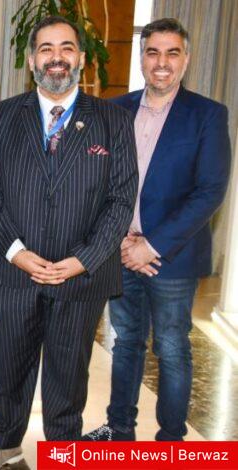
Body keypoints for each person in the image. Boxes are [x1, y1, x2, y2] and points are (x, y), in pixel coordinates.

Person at [0, 16, 138, 468]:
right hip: (11, 271)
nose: (56, 57)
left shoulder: (113, 121)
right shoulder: (3, 115)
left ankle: (63, 452)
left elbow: (122, 200)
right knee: (10, 364)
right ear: (31, 60)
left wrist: (83, 259)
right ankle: (3, 443)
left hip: (79, 276)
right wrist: (17, 253)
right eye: (46, 48)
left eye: (66, 48)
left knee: (68, 374)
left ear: (80, 58)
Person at [83, 18, 231, 442]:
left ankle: (170, 440)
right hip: (121, 251)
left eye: (172, 53)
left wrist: (153, 246)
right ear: (142, 57)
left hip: (172, 258)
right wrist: (120, 241)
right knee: (126, 341)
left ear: (186, 60)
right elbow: (98, 182)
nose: (161, 62)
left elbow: (209, 191)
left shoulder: (207, 115)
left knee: (171, 347)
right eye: (153, 52)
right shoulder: (115, 110)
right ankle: (119, 430)